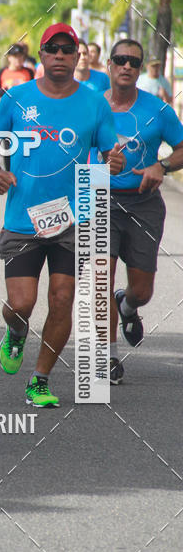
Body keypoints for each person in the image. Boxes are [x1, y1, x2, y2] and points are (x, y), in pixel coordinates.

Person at [0, 23, 125, 407]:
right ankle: (16, 332)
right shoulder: (17, 97)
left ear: (77, 56)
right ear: (41, 55)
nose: (60, 55)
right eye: (52, 48)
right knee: (21, 304)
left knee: (62, 299)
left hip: (74, 218)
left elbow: (111, 153)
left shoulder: (94, 102)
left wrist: (114, 162)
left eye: (67, 49)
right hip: (23, 218)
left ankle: (40, 380)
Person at [104, 39, 183, 384]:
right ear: (109, 64)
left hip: (144, 203)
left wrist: (161, 166)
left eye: (133, 62)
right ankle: (107, 357)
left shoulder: (158, 109)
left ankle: (127, 304)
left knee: (143, 291)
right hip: (101, 199)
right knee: (100, 279)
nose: (127, 66)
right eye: (120, 59)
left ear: (139, 70)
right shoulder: (91, 107)